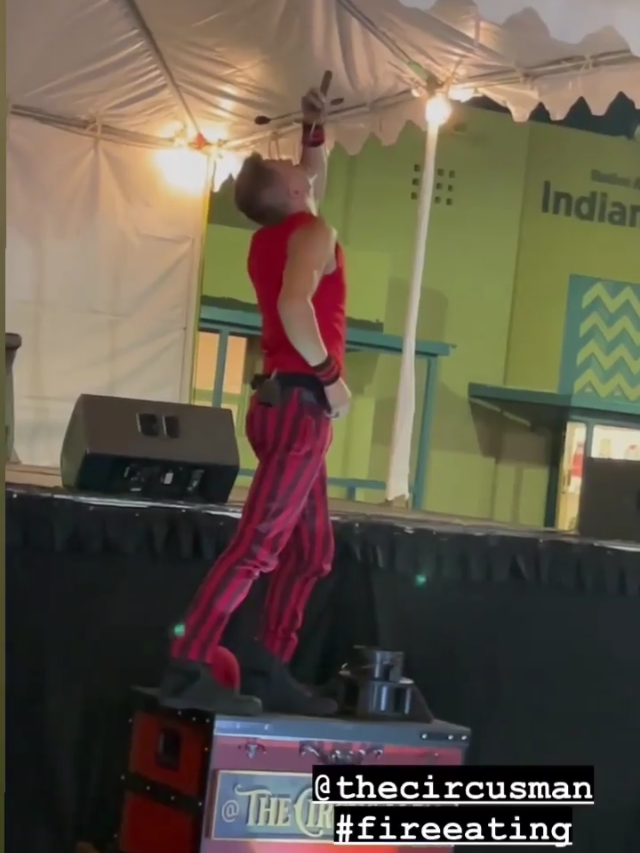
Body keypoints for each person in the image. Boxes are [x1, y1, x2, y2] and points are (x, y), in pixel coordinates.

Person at [159, 87, 351, 716]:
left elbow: (309, 180)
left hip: (280, 403)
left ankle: (268, 665)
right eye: (291, 165)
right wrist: (330, 377)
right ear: (293, 190)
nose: (299, 165)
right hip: (301, 402)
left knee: (312, 551)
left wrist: (313, 131)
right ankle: (189, 661)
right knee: (260, 544)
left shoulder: (279, 234)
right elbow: (296, 306)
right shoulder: (312, 232)